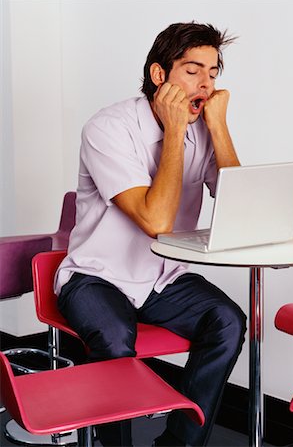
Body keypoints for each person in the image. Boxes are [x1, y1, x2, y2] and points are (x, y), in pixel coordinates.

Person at [55, 22, 247, 447]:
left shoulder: (203, 127)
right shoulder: (108, 128)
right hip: (96, 276)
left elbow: (241, 210)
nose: (206, 84)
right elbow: (155, 220)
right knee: (114, 340)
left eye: (214, 73)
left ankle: (180, 444)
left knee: (228, 322)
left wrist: (219, 127)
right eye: (193, 70)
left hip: (163, 279)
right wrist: (176, 130)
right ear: (160, 75)